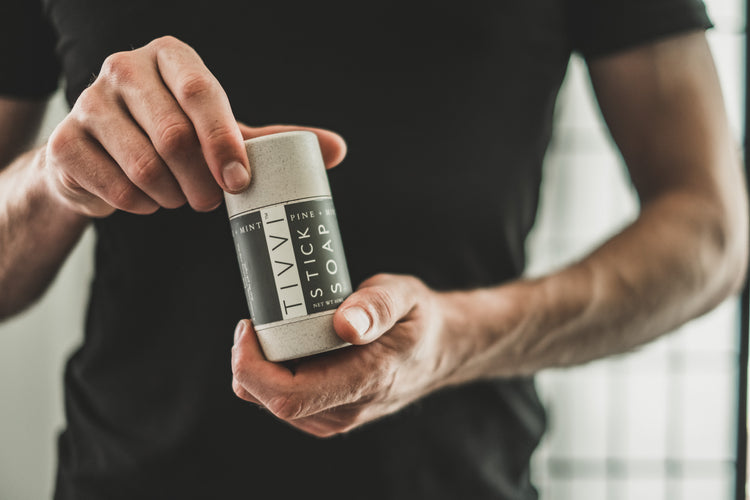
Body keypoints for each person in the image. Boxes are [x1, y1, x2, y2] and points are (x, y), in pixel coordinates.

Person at [1, 0, 747, 498]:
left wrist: (460, 338)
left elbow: (711, 228)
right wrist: (50, 182)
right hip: (128, 477)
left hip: (457, 477)